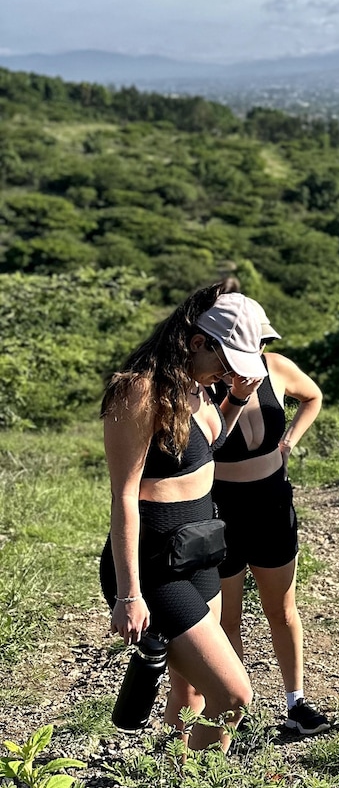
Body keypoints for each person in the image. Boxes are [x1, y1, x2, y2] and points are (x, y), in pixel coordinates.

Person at [100, 285, 267, 752]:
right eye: (226, 361)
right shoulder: (139, 392)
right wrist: (129, 593)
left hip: (200, 551)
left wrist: (233, 399)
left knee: (191, 691)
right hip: (154, 564)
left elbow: (202, 451)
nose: (230, 372)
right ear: (196, 343)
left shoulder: (199, 388)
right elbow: (125, 497)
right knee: (234, 695)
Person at [208, 293, 329, 736]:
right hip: (222, 506)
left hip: (273, 500)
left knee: (282, 608)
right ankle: (236, 710)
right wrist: (233, 397)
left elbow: (313, 396)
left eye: (259, 342)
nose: (252, 352)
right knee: (229, 617)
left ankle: (296, 703)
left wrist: (291, 438)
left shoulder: (275, 366)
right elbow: (206, 443)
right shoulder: (207, 382)